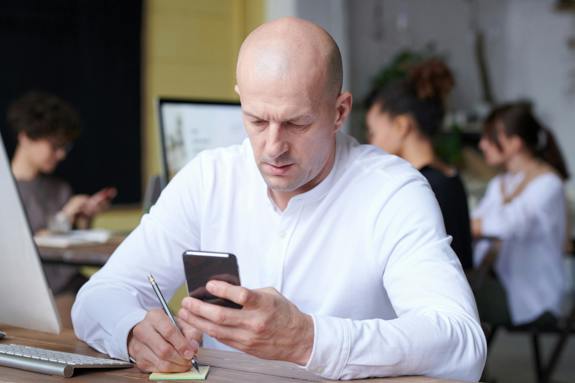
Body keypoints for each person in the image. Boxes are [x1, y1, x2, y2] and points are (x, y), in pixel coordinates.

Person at [72, 17, 486, 381]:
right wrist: (131, 331)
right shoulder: (209, 177)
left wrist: (308, 339)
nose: (273, 147)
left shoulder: (392, 191)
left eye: (296, 123)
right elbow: (98, 297)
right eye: (256, 120)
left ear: (339, 112)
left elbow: (461, 343)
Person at [7, 91, 116, 324]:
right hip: (38, 290)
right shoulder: (5, 188)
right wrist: (64, 216)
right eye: (54, 146)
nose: (61, 155)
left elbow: (70, 243)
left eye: (65, 147)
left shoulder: (59, 188)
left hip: (71, 282)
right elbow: (18, 249)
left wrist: (84, 217)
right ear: (25, 137)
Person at [364, 59, 473, 270]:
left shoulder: (418, 187)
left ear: (401, 126)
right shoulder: (449, 178)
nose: (370, 142)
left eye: (373, 132)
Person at [471, 102, 570, 327]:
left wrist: (469, 225)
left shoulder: (549, 183)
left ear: (514, 143)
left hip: (534, 298)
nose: (482, 144)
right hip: (503, 284)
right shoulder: (500, 183)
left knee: (456, 300)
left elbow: (508, 223)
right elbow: (481, 222)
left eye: (489, 137)